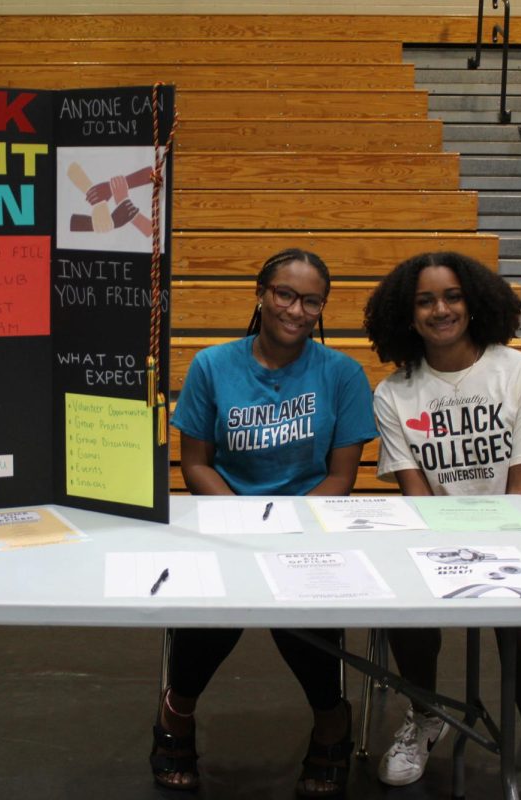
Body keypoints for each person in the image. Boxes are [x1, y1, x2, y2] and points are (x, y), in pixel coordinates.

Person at [152, 248, 379, 797]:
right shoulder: (212, 364)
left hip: (310, 522)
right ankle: (175, 712)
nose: (296, 310)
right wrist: (244, 521)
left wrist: (289, 531)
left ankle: (332, 719)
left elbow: (340, 478)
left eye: (311, 301)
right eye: (285, 294)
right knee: (215, 611)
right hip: (225, 516)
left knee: (302, 612)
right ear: (260, 294)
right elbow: (196, 464)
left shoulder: (343, 374)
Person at [362, 251, 521, 800]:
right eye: (425, 300)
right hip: (432, 537)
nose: (440, 309)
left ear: (474, 301)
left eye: (452, 296)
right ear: (406, 315)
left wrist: (490, 564)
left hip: (512, 534)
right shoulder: (394, 394)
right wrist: (446, 560)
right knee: (407, 612)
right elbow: (417, 500)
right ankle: (426, 714)